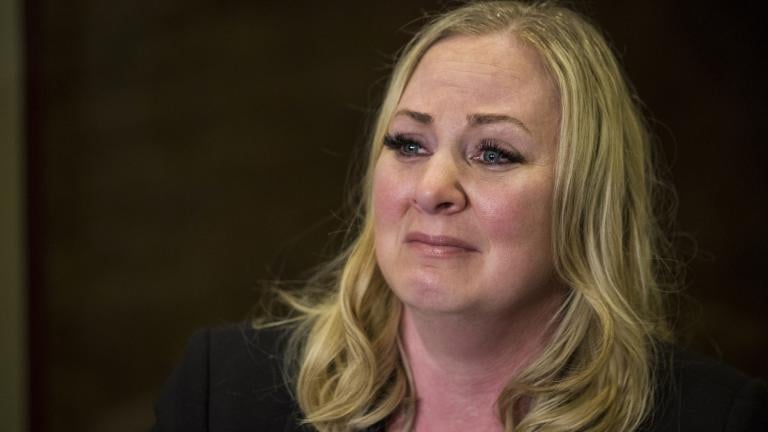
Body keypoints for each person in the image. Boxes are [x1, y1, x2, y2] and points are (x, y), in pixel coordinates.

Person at [153, 1, 768, 431]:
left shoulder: (716, 418)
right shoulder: (221, 393)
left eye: (494, 153)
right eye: (409, 144)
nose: (433, 188)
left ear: (587, 198)